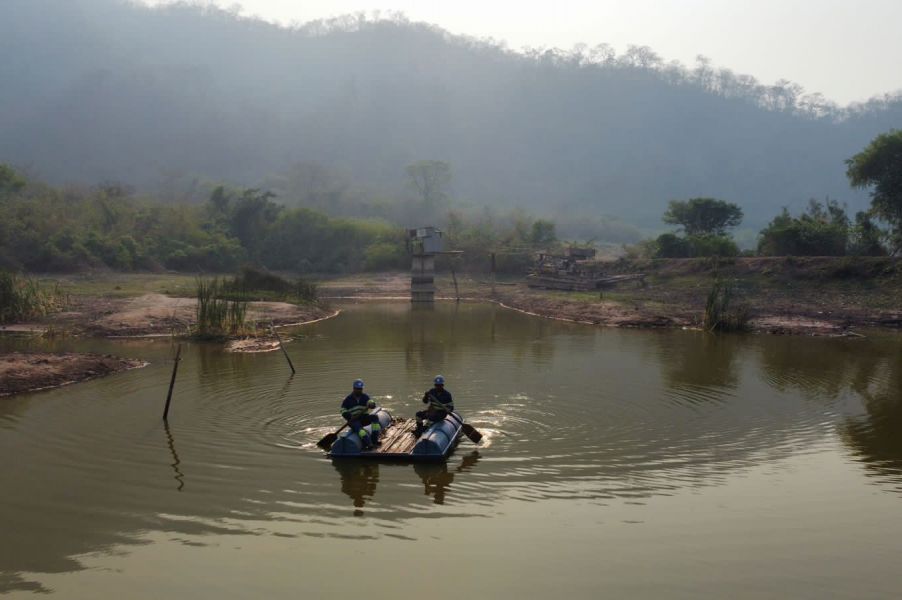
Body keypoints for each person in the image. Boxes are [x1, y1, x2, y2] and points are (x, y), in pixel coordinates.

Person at [340, 379, 381, 448]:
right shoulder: (348, 399)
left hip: (363, 417)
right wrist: (349, 416)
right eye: (357, 389)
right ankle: (369, 444)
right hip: (353, 420)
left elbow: (371, 402)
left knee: (375, 417)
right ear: (353, 388)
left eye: (360, 389)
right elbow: (343, 410)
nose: (359, 390)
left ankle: (374, 440)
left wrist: (372, 404)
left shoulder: (365, 396)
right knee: (360, 430)